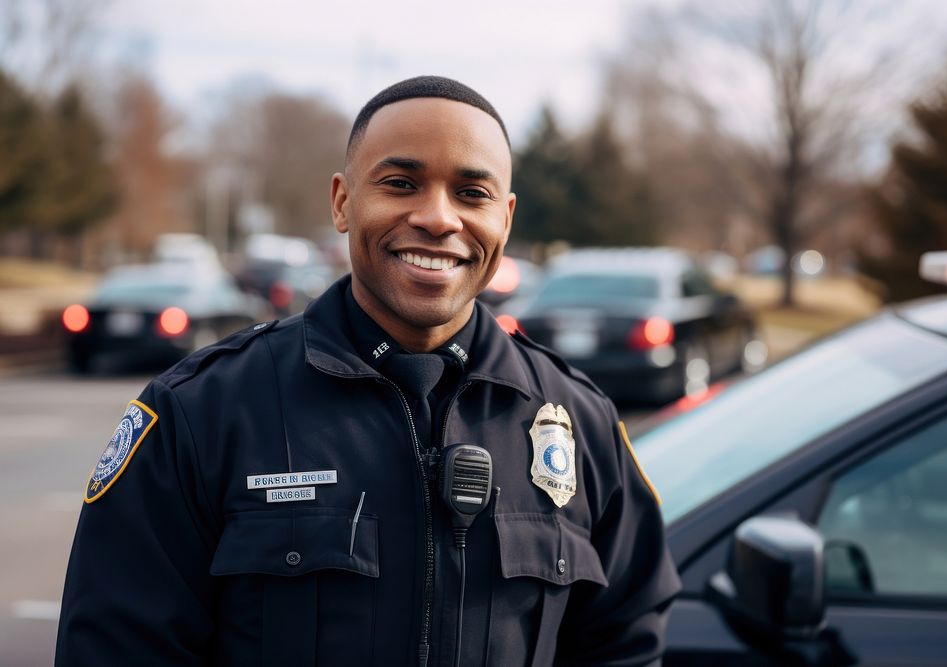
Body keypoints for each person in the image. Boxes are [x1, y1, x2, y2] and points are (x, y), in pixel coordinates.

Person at [56, 76, 681, 666]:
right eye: (402, 183)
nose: (439, 218)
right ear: (343, 201)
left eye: (472, 193)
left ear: (506, 219)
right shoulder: (201, 413)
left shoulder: (580, 423)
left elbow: (626, 638)